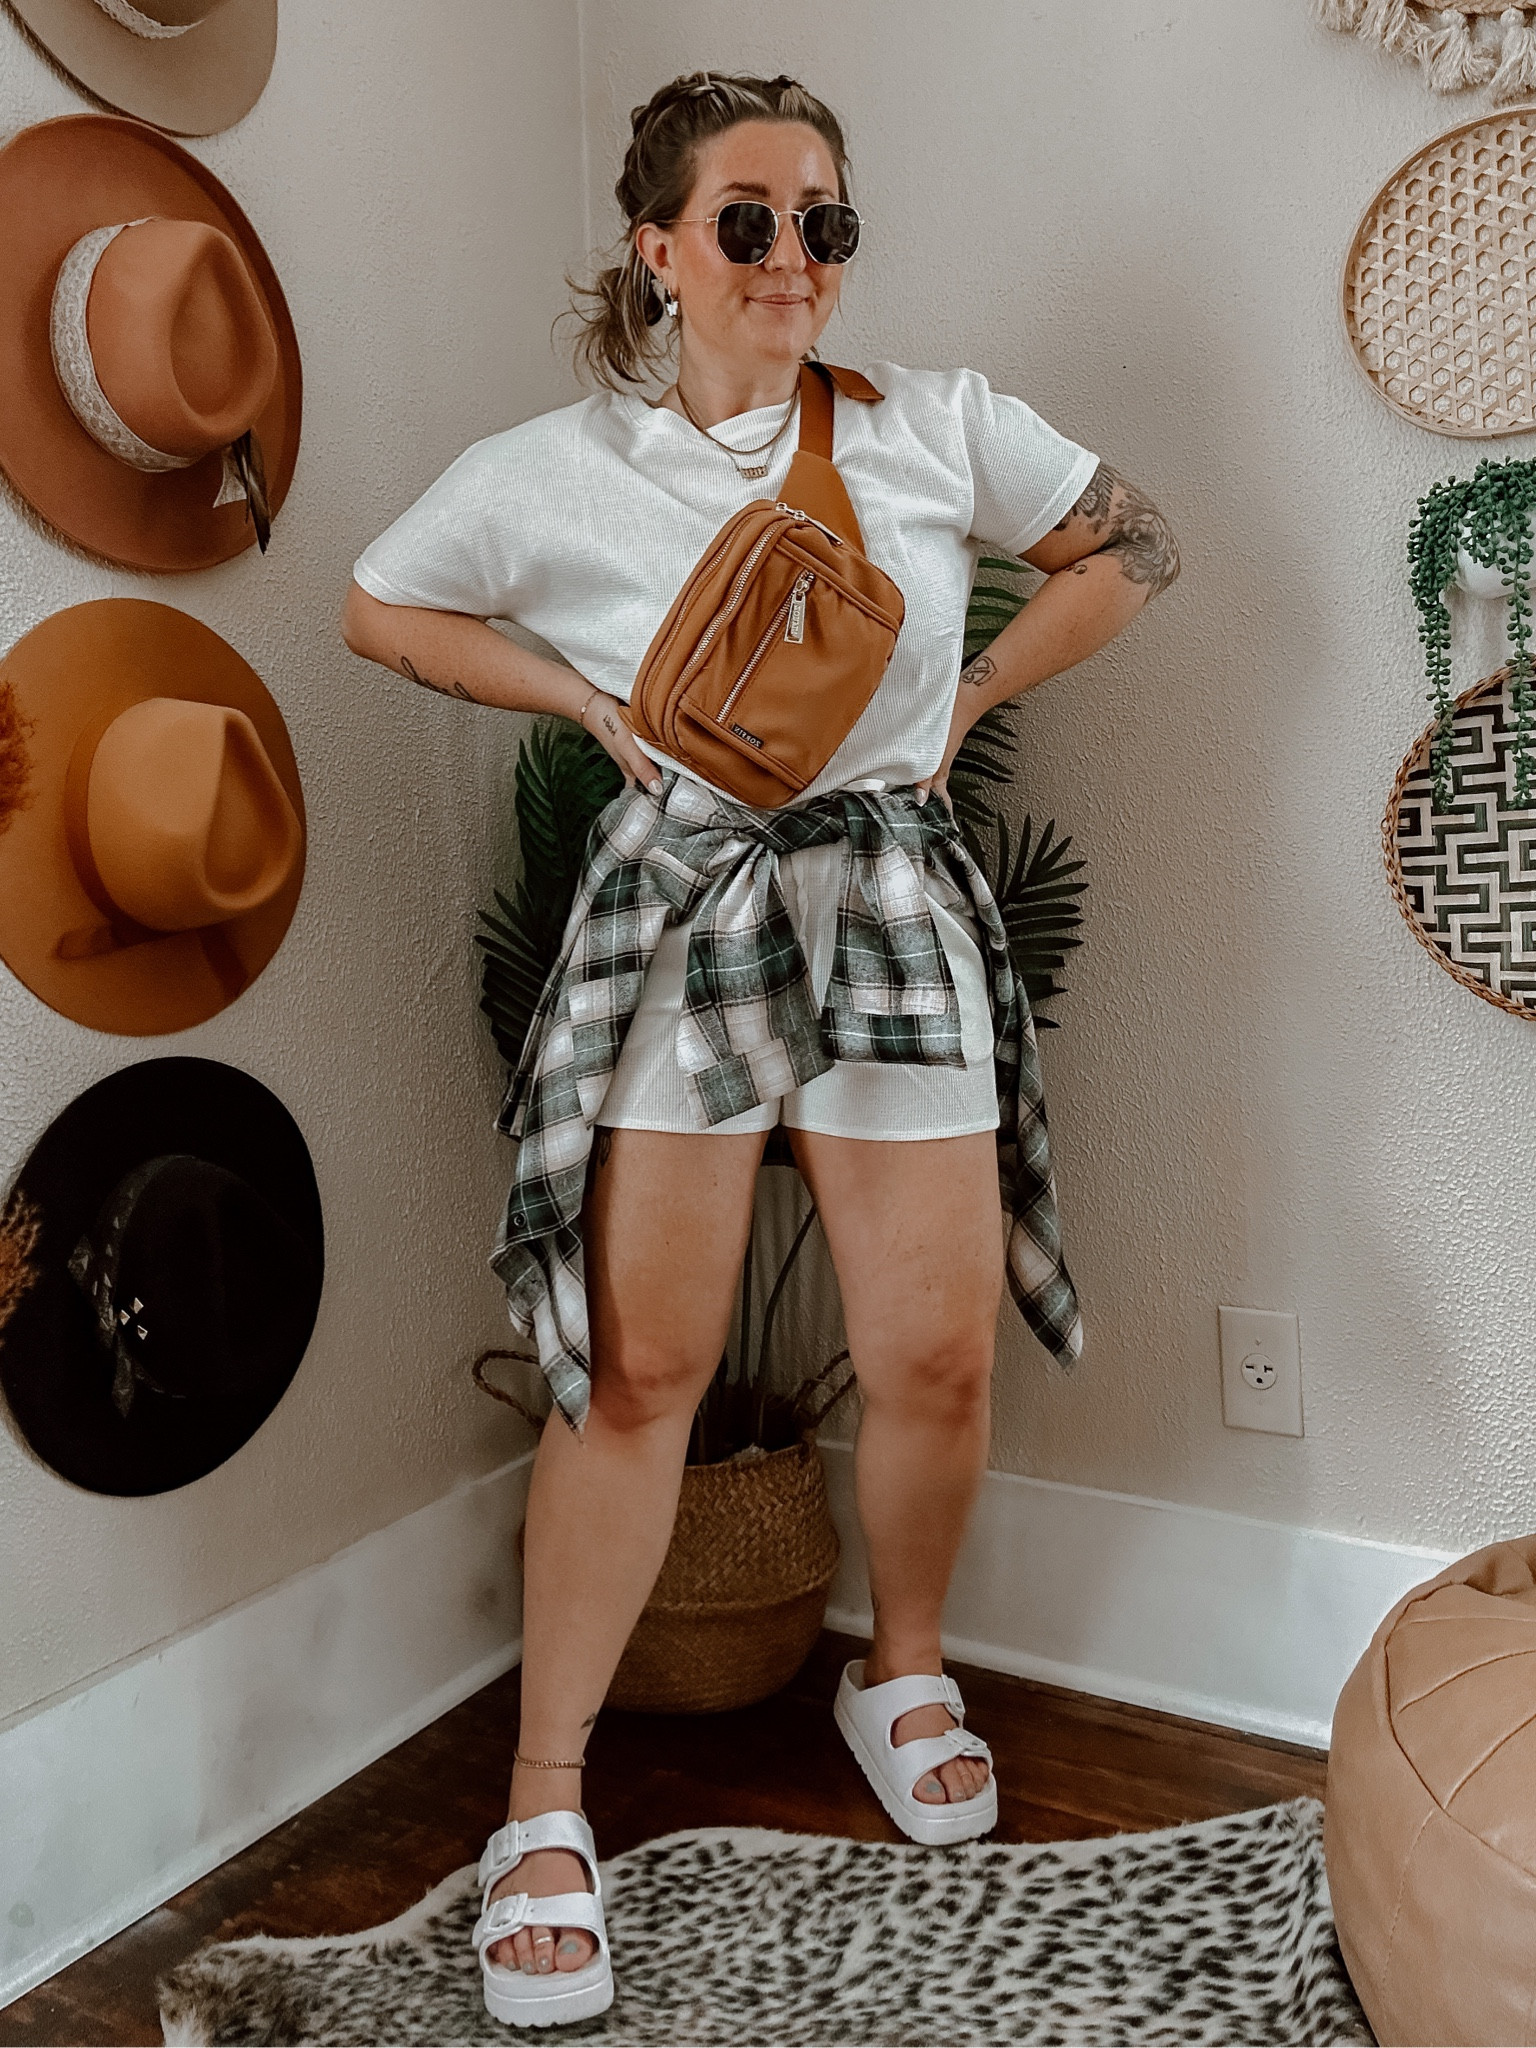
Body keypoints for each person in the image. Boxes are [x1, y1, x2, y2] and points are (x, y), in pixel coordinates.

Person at [344, 69, 1178, 2029]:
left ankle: (899, 1666)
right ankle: (543, 1801)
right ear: (657, 249)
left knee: (935, 1350)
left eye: (825, 220)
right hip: (691, 915)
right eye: (749, 219)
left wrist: (962, 693)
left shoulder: (934, 429)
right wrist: (574, 699)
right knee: (642, 1371)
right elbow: (379, 604)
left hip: (888, 902)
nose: (794, 256)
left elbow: (1133, 554)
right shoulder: (553, 470)